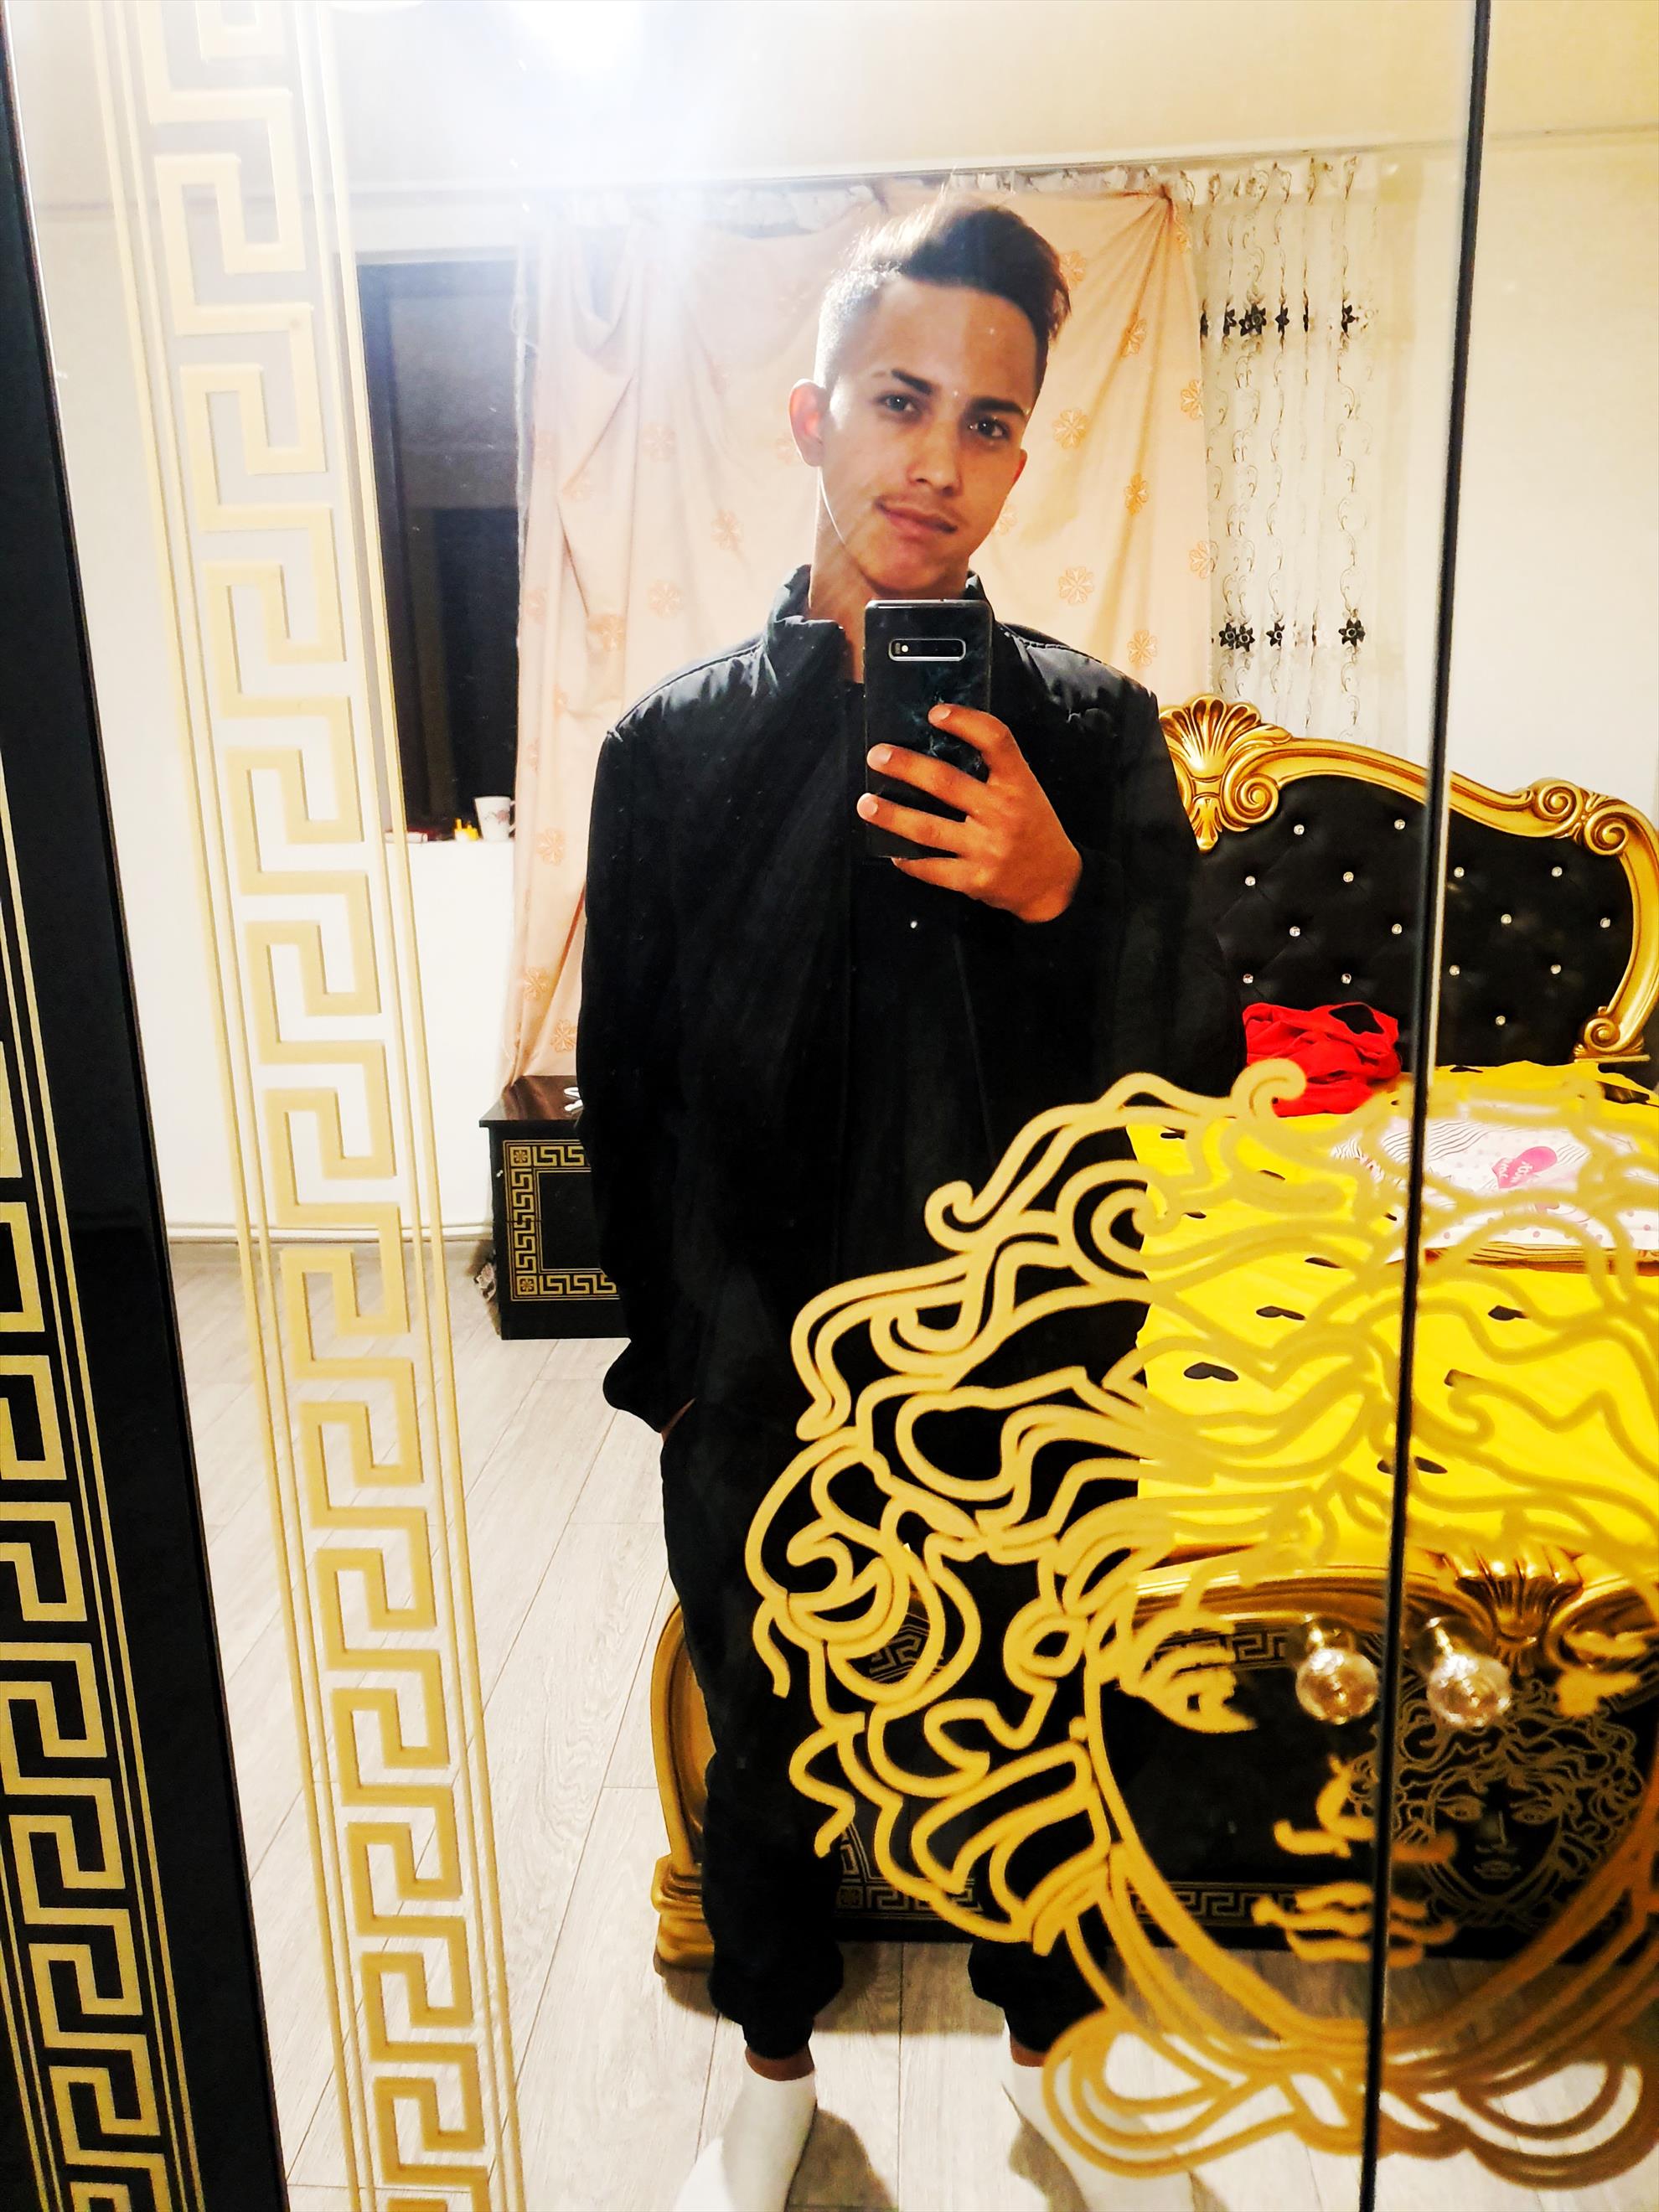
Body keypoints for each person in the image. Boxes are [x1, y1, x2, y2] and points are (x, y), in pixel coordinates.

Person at [577, 196, 1242, 2212]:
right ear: (812, 417)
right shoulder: (668, 749)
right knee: (765, 1735)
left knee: (1045, 1727)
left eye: (993, 419)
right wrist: (679, 1362)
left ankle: (1053, 2069)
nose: (941, 458)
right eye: (899, 400)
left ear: (1027, 454)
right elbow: (629, 1081)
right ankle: (773, 2069)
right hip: (760, 1356)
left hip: (1033, 1361)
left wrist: (1064, 892)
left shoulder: (1094, 733)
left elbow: (1197, 1068)